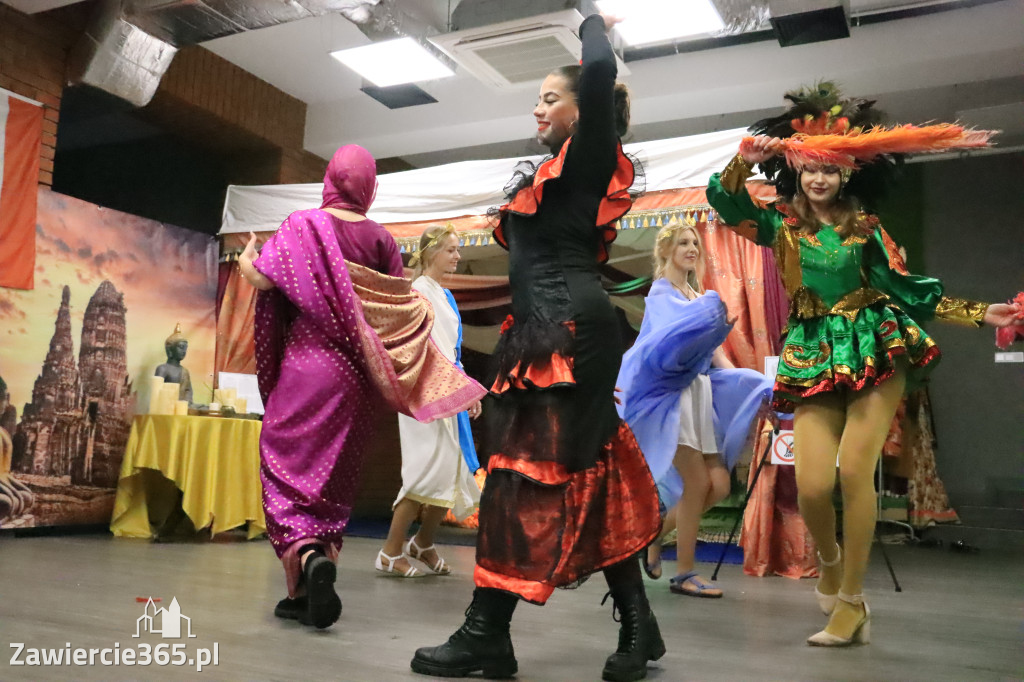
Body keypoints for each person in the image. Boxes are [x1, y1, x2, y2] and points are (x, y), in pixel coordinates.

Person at [705, 83, 1021, 646]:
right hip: (812, 352)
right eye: (809, 169)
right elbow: (726, 205)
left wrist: (979, 314)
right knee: (811, 485)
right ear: (795, 172)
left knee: (855, 472)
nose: (819, 179)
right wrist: (740, 162)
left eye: (830, 170)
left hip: (874, 344)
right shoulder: (780, 227)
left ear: (847, 175)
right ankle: (828, 562)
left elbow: (910, 291)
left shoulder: (867, 229)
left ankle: (850, 604)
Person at [411, 13, 663, 682]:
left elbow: (603, 71)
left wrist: (590, 22)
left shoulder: (587, 160)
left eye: (551, 96)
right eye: (540, 98)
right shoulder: (549, 174)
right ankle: (635, 626)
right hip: (540, 337)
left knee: (535, 481)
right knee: (571, 475)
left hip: (571, 336)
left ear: (586, 110)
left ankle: (487, 630)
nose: (538, 106)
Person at [238, 144, 485, 630]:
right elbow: (396, 312)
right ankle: (307, 587)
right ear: (369, 186)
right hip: (354, 379)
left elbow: (264, 283)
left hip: (306, 367)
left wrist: (249, 261)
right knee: (331, 478)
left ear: (330, 178)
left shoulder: (302, 226)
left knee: (284, 468)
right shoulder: (382, 241)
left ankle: (307, 556)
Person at [617, 220, 773, 598]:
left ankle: (652, 536)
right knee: (696, 483)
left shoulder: (693, 294)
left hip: (699, 394)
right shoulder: (661, 294)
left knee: (717, 484)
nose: (692, 249)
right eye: (684, 243)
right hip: (675, 398)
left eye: (695, 244)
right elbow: (668, 346)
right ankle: (684, 572)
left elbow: (714, 351)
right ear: (666, 250)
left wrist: (746, 381)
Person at [377, 224, 483, 578]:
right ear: (431, 253)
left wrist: (465, 388)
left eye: (458, 250)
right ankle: (390, 552)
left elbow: (452, 354)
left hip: (448, 393)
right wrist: (459, 390)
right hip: (423, 397)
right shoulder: (417, 294)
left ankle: (422, 543)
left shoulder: (445, 296)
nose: (458, 256)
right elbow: (423, 353)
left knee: (451, 470)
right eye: (451, 250)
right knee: (424, 471)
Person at [154, 323, 193, 405]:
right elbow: (157, 393)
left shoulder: (185, 371)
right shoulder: (162, 369)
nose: (184, 351)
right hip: (167, 406)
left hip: (182, 407)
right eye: (181, 347)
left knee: (204, 407)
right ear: (170, 349)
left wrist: (187, 403)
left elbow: (188, 392)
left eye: (185, 348)